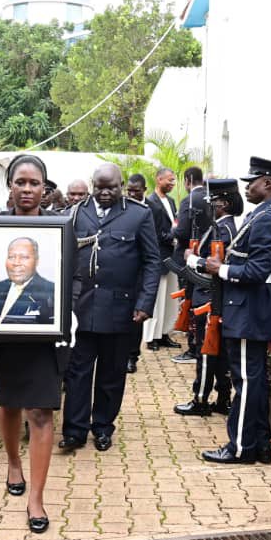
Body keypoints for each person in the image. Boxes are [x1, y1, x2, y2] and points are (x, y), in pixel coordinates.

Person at [0, 154, 69, 533]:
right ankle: (13, 463)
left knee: (42, 412)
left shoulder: (60, 229)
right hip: (4, 336)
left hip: (45, 339)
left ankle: (36, 498)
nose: (27, 189)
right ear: (10, 186)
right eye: (20, 182)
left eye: (35, 183)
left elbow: (74, 279)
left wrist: (66, 313)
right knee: (10, 403)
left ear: (45, 188)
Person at [60, 163, 161, 452]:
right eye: (100, 187)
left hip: (121, 309)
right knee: (77, 372)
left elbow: (152, 261)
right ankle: (74, 431)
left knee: (111, 373)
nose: (105, 193)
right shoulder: (77, 213)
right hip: (81, 308)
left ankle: (103, 427)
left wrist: (145, 302)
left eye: (111, 187)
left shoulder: (138, 215)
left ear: (121, 185)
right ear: (92, 185)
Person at [195, 161, 271, 463]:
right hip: (246, 309)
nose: (246, 188)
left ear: (267, 183)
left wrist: (220, 268)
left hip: (251, 311)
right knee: (252, 379)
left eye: (252, 182)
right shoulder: (261, 214)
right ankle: (260, 443)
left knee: (247, 382)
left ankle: (240, 447)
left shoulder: (267, 218)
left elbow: (257, 269)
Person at [174, 179, 242, 417]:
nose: (208, 207)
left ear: (223, 203)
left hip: (211, 298)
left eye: (212, 202)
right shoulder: (221, 227)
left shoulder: (223, 230)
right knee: (219, 353)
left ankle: (201, 398)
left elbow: (215, 266)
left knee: (207, 351)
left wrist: (192, 259)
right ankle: (222, 398)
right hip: (211, 296)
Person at [171, 166, 209, 364]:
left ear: (187, 181)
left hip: (189, 258)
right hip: (204, 257)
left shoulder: (190, 200)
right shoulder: (209, 198)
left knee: (190, 302)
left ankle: (193, 346)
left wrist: (173, 231)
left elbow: (182, 231)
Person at [144, 167, 181, 351]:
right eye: (170, 180)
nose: (173, 183)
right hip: (158, 258)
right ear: (159, 179)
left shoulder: (172, 201)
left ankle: (165, 333)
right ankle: (152, 338)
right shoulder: (151, 202)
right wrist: (175, 238)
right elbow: (155, 233)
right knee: (156, 300)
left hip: (171, 257)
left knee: (169, 300)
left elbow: (173, 224)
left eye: (174, 180)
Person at [0, 237, 56, 324]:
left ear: (36, 261)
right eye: (11, 257)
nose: (16, 263)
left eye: (24, 257)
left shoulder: (53, 293)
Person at [124, 174, 150, 373]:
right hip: (124, 272)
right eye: (129, 190)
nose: (132, 194)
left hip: (141, 272)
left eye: (136, 190)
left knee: (135, 317)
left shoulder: (152, 210)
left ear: (144, 190)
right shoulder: (122, 209)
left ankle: (132, 356)